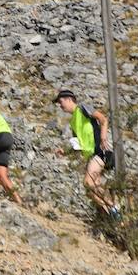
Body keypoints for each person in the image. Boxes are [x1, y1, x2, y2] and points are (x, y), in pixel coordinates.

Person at [54, 90, 119, 218]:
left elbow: (103, 119)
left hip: (101, 151)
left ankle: (114, 208)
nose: (60, 106)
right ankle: (112, 216)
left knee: (88, 183)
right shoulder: (73, 122)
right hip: (92, 156)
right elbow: (78, 145)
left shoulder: (83, 108)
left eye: (61, 102)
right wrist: (65, 151)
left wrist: (103, 137)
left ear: (69, 99)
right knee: (91, 191)